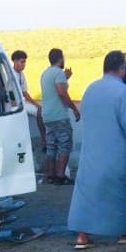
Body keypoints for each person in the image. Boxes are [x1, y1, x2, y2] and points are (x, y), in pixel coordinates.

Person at [68, 51, 126, 248]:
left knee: (86, 191)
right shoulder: (121, 91)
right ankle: (125, 232)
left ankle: (82, 235)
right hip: (115, 152)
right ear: (121, 68)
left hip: (91, 151)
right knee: (119, 191)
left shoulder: (91, 89)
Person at [39, 48, 79, 185]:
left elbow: (52, 89)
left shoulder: (45, 73)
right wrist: (74, 108)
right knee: (64, 144)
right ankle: (61, 175)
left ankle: (51, 175)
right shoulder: (58, 73)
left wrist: (65, 78)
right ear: (60, 59)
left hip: (47, 115)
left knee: (51, 146)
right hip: (59, 115)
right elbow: (61, 92)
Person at [11, 50, 46, 169]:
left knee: (39, 111)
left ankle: (43, 138)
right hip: (15, 105)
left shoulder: (21, 74)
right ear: (15, 62)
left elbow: (25, 92)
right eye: (22, 62)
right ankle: (41, 138)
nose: (24, 65)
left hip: (23, 102)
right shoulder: (10, 74)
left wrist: (36, 104)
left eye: (24, 62)